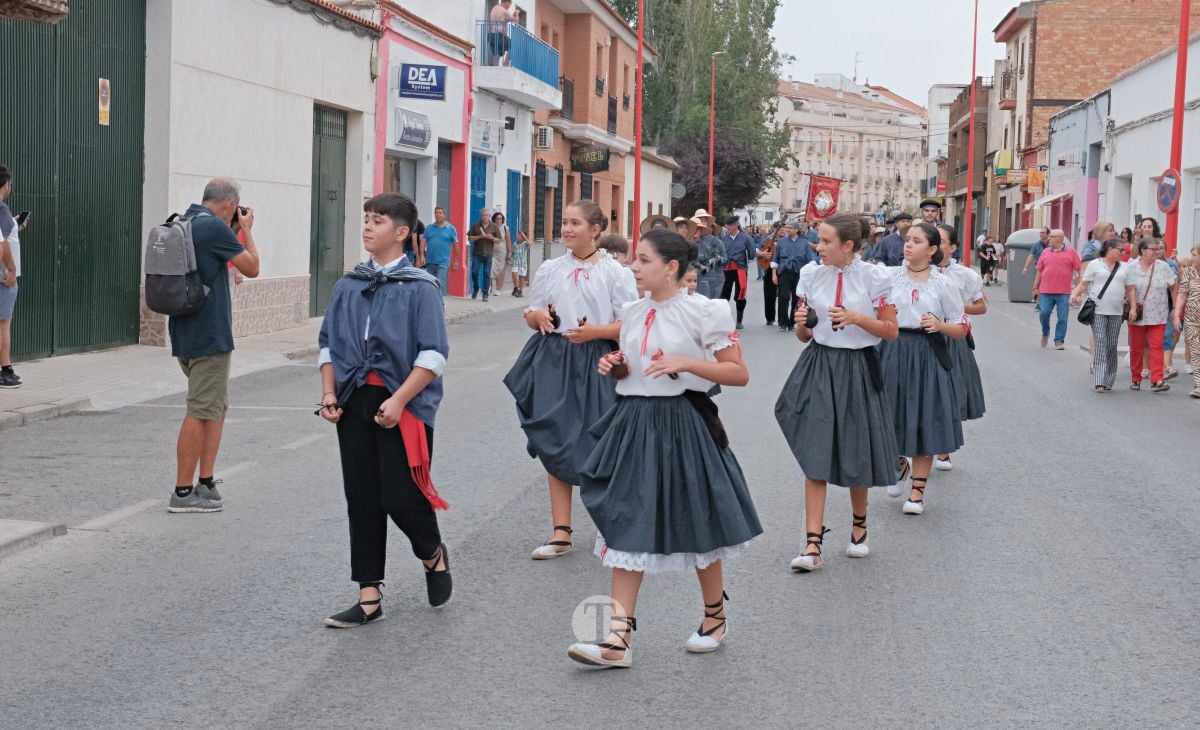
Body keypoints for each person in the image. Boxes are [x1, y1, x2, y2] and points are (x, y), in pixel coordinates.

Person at [566, 229, 760, 668]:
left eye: (643, 260)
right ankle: (618, 641)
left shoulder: (704, 312)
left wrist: (687, 363)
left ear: (671, 267)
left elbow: (737, 374)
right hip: (633, 424)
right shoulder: (633, 312)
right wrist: (616, 366)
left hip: (682, 426)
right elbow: (635, 369)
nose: (633, 267)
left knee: (698, 521)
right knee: (625, 521)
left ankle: (714, 618)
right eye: (634, 259)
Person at [317, 193, 452, 627]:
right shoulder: (348, 285)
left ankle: (431, 552)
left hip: (404, 402)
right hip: (355, 398)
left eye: (377, 221)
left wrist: (398, 400)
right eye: (366, 220)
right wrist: (329, 395)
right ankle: (369, 594)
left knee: (400, 496)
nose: (367, 227)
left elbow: (433, 355)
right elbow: (328, 345)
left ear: (400, 233)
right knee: (362, 496)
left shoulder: (421, 288)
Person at [503, 199, 637, 561]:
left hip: (598, 361)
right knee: (555, 440)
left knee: (601, 441)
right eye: (564, 221)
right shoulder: (550, 268)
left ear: (595, 230)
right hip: (554, 358)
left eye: (575, 223)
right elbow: (532, 310)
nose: (566, 229)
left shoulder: (615, 273)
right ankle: (561, 532)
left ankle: (612, 526)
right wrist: (539, 320)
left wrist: (595, 332)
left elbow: (629, 324)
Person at [774, 214, 899, 570]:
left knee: (856, 449)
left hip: (858, 366)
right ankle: (813, 545)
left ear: (848, 246)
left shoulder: (875, 276)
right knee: (816, 451)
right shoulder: (811, 275)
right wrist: (801, 325)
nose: (819, 246)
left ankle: (859, 527)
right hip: (819, 364)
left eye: (826, 241)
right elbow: (806, 334)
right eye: (819, 239)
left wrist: (858, 318)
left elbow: (890, 331)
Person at [167, 178, 261, 513]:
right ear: (230, 205)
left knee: (215, 407)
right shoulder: (215, 229)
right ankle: (181, 492)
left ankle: (205, 482)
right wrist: (246, 229)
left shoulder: (183, 221)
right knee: (200, 410)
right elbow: (252, 267)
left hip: (184, 330)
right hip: (209, 334)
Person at [880, 223, 967, 515]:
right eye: (907, 240)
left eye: (916, 241)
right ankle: (897, 463)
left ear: (931, 250)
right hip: (891, 348)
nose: (908, 245)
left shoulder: (944, 283)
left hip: (928, 351)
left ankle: (917, 491)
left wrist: (941, 325)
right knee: (885, 414)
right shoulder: (888, 277)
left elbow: (961, 327)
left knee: (924, 417)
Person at [932, 223, 986, 472]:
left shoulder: (965, 275)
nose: (937, 244)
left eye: (942, 240)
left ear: (952, 247)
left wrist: (955, 307)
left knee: (950, 393)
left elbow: (981, 306)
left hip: (953, 338)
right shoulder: (919, 272)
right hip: (924, 337)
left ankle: (943, 449)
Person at [1070, 238, 1136, 393]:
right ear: (1109, 249)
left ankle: (1109, 379)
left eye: (1124, 250)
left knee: (1111, 345)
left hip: (1116, 311)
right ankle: (1099, 380)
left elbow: (1131, 289)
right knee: (1100, 342)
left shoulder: (1125, 267)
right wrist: (1073, 294)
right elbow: (1084, 283)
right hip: (1098, 310)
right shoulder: (1095, 264)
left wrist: (1133, 307)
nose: (1123, 253)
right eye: (1120, 250)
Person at [1126, 237, 1178, 392]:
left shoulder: (1163, 266)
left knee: (1157, 346)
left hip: (1158, 313)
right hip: (1137, 314)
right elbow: (1128, 288)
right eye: (1153, 249)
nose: (1157, 252)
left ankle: (1157, 380)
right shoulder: (1131, 266)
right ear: (1143, 251)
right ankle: (1136, 378)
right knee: (1136, 348)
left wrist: (1175, 307)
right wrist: (1132, 307)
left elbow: (1173, 287)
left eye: (1158, 249)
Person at [1033, 229, 1081, 349]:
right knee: (1044, 313)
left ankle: (1059, 340)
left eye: (1052, 237)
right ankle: (1045, 332)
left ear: (1060, 238)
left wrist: (1078, 289)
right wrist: (1035, 287)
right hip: (1045, 291)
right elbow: (1039, 270)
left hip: (1063, 291)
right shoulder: (1045, 252)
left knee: (1062, 317)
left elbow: (1079, 269)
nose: (1049, 239)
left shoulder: (1071, 252)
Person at [0, 165, 25, 389]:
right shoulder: (1, 208)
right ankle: (5, 370)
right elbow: (2, 242)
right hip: (3, 277)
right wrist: (11, 270)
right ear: (6, 184)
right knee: (3, 324)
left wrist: (16, 225)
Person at [771, 220, 812, 332]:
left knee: (796, 298)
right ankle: (782, 322)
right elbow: (775, 259)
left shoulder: (804, 243)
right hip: (784, 272)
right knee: (784, 297)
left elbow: (810, 261)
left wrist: (809, 277)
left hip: (799, 274)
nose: (787, 229)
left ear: (796, 229)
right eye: (787, 227)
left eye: (790, 227)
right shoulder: (781, 242)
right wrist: (774, 275)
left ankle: (792, 322)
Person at [1172, 245, 1200, 398]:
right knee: (1195, 351)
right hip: (1191, 318)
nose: (1191, 258)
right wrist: (1177, 314)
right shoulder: (1189, 272)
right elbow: (1182, 294)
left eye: (1194, 255)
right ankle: (1199, 384)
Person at [719, 216, 756, 330]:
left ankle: (739, 320)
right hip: (726, 269)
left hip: (740, 268)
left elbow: (752, 253)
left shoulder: (745, 238)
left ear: (736, 226)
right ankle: (723, 320)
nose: (728, 227)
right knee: (724, 294)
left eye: (730, 225)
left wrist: (748, 258)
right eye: (727, 226)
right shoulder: (724, 239)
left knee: (740, 293)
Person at [466, 208, 501, 301]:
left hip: (488, 254)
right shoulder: (475, 226)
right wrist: (479, 237)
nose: (484, 217)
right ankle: (476, 288)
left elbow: (499, 241)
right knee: (474, 272)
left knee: (486, 274)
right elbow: (469, 238)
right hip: (477, 253)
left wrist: (492, 238)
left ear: (489, 216)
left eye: (486, 215)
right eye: (483, 215)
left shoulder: (494, 226)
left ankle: (485, 294)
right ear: (481, 216)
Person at [422, 206, 457, 295]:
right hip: (430, 260)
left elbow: (455, 246)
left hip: (443, 261)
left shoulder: (450, 229)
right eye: (436, 212)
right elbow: (423, 242)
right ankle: (433, 302)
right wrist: (421, 255)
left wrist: (455, 261)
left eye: (440, 213)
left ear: (444, 215)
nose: (438, 214)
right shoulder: (429, 228)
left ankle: (439, 302)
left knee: (439, 282)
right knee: (431, 283)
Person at [694, 216, 725, 300]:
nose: (697, 230)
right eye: (696, 228)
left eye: (699, 228)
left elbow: (723, 260)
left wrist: (717, 259)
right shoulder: (682, 243)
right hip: (686, 282)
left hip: (706, 279)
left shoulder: (714, 243)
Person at [756, 224, 778, 325]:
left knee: (784, 296)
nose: (782, 230)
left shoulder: (789, 239)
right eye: (780, 228)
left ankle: (784, 320)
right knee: (769, 295)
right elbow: (756, 249)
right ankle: (770, 318)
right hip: (769, 268)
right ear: (775, 229)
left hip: (784, 268)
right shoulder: (768, 239)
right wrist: (763, 253)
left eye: (785, 228)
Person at [488, 0, 517, 64]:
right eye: (509, 4)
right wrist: (517, 13)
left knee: (497, 53)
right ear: (506, 1)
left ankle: (494, 69)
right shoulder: (504, 11)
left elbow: (503, 20)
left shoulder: (494, 8)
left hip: (492, 35)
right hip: (499, 35)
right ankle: (505, 64)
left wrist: (511, 16)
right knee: (514, 45)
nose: (509, 6)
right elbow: (516, 20)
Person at [491, 211, 512, 295]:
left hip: (502, 251)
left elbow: (508, 241)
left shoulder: (505, 228)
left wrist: (510, 252)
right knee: (491, 268)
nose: (499, 220)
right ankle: (490, 287)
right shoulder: (491, 227)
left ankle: (498, 289)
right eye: (497, 218)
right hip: (492, 250)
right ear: (494, 219)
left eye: (500, 218)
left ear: (502, 219)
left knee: (500, 270)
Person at [510, 229, 531, 296]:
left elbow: (530, 244)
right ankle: (515, 287)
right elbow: (512, 252)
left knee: (521, 277)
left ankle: (520, 290)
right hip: (515, 262)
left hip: (523, 264)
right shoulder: (514, 244)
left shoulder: (525, 244)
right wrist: (510, 255)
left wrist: (524, 236)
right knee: (514, 274)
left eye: (519, 235)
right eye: (518, 235)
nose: (517, 236)